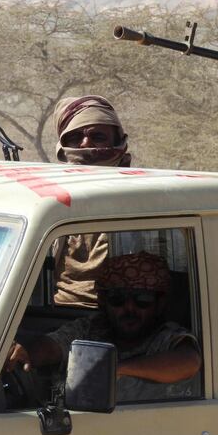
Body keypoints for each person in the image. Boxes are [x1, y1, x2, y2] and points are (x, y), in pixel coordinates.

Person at [7, 251, 201, 402]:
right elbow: (53, 345)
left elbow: (189, 362)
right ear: (103, 301)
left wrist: (118, 369)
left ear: (159, 304)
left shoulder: (167, 337)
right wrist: (27, 355)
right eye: (118, 299)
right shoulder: (91, 329)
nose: (129, 309)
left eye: (142, 300)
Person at [51, 95, 132, 307]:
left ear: (117, 142)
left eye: (98, 137)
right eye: (75, 137)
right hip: (55, 312)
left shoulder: (138, 198)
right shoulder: (51, 201)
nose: (85, 144)